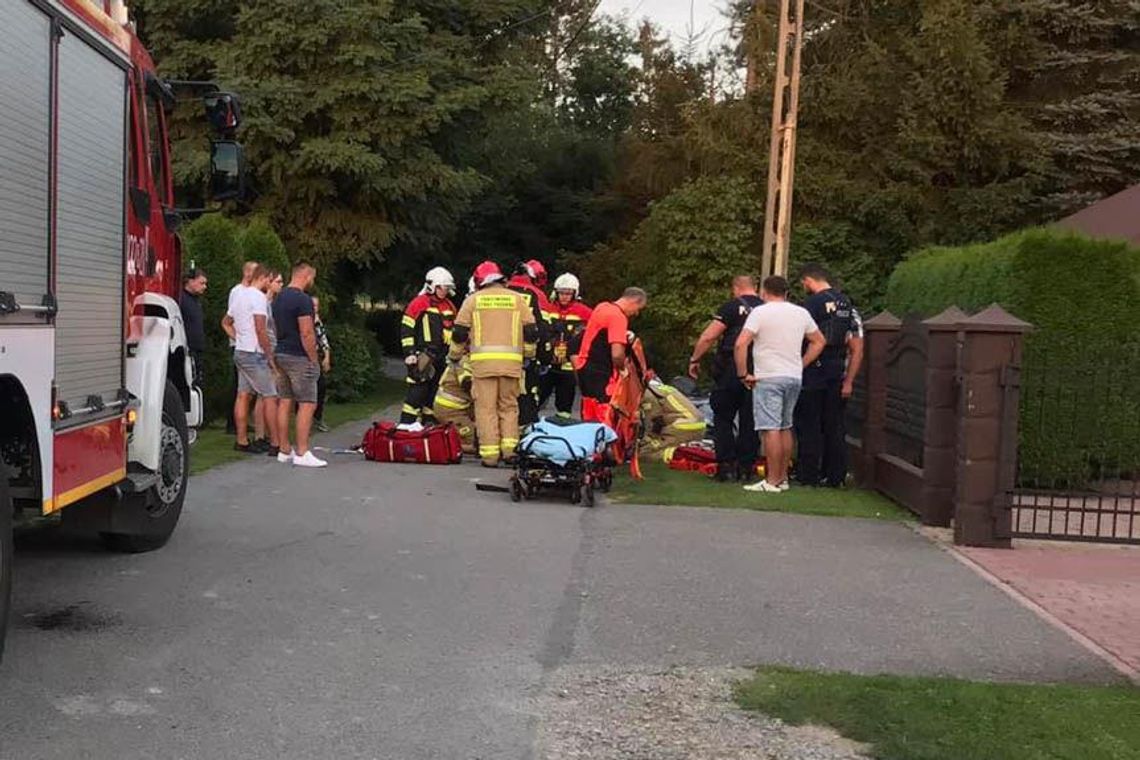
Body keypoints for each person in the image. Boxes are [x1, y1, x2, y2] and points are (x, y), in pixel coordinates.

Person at [734, 276, 826, 493]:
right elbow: (819, 341)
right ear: (786, 293)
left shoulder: (760, 312)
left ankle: (772, 480)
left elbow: (741, 343)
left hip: (768, 376)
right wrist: (801, 363)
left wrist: (743, 373)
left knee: (770, 428)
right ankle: (782, 477)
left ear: (764, 292)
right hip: (793, 376)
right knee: (785, 426)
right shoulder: (800, 313)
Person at [450, 261, 537, 467]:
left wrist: (454, 356)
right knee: (509, 408)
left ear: (480, 281)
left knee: (486, 409)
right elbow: (532, 332)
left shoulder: (473, 301)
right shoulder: (517, 299)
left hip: (483, 366)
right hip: (512, 366)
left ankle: (490, 456)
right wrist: (528, 355)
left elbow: (460, 333)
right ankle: (509, 452)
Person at [688, 275, 764, 481]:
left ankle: (726, 465)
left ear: (736, 288)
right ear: (755, 288)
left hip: (731, 368)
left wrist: (695, 359)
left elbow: (709, 336)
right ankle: (746, 467)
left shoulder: (731, 307)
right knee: (751, 420)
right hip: (759, 368)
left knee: (723, 417)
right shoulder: (767, 308)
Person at [795, 264, 857, 487]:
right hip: (837, 368)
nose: (804, 287)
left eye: (804, 283)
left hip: (814, 368)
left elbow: (808, 335)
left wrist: (800, 364)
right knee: (834, 424)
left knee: (809, 423)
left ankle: (808, 473)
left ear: (809, 280)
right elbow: (853, 340)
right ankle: (835, 475)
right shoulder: (845, 302)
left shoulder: (812, 303)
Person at [272, 261, 326, 468]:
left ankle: (284, 449)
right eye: (312, 277)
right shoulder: (303, 300)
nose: (312, 281)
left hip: (282, 352)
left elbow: (276, 328)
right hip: (299, 356)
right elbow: (306, 332)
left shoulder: (279, 298)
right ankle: (303, 452)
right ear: (306, 275)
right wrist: (313, 358)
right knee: (307, 403)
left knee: (285, 400)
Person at [222, 264, 279, 454]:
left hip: (241, 351)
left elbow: (226, 322)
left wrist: (238, 337)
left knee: (243, 394)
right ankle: (276, 444)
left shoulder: (240, 295)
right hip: (255, 353)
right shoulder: (258, 298)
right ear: (263, 277)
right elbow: (261, 329)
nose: (269, 284)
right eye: (269, 280)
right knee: (270, 395)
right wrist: (270, 356)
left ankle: (242, 440)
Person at [573, 288, 648, 425]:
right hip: (602, 373)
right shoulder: (618, 317)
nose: (636, 313)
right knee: (606, 416)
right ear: (634, 301)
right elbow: (617, 354)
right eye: (638, 308)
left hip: (585, 368)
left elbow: (600, 335)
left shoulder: (602, 307)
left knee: (589, 415)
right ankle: (606, 444)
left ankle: (590, 443)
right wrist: (623, 370)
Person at [398, 267, 457, 431]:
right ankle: (405, 426)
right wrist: (409, 353)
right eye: (442, 287)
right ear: (433, 286)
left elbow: (455, 328)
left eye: (447, 288)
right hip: (424, 355)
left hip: (443, 356)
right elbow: (407, 328)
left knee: (434, 394)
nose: (445, 291)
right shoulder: (419, 303)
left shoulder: (449, 305)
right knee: (417, 392)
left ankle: (428, 427)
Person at [539, 273, 592, 420]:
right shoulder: (548, 309)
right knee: (538, 398)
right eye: (561, 293)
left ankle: (562, 426)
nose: (564, 297)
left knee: (565, 403)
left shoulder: (584, 312)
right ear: (556, 292)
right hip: (548, 364)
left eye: (568, 294)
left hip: (568, 367)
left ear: (575, 294)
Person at [507, 260, 553, 427]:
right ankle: (524, 435)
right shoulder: (537, 295)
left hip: (496, 354)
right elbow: (543, 330)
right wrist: (545, 358)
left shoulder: (501, 291)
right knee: (526, 396)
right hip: (526, 357)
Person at [225, 261, 258, 435]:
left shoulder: (255, 292)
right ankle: (233, 423)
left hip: (251, 344)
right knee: (239, 386)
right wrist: (237, 338)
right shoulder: (237, 292)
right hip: (240, 343)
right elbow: (232, 316)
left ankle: (245, 420)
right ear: (246, 272)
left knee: (249, 388)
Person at [640, 378, 707, 453]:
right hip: (697, 425)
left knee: (645, 451)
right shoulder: (660, 389)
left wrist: (646, 440)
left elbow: (652, 421)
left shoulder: (648, 395)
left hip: (682, 426)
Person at [432, 356, 476, 455]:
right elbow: (466, 383)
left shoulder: (467, 360)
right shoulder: (465, 362)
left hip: (459, 408)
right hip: (450, 410)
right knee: (473, 440)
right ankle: (445, 445)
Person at [180, 267, 208, 388]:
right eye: (201, 283)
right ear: (190, 281)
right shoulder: (181, 300)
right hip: (187, 351)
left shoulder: (196, 301)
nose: (204, 287)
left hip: (196, 351)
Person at [312, 296, 332, 433]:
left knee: (321, 387)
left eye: (316, 306)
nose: (315, 308)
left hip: (317, 358)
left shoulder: (318, 322)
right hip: (306, 359)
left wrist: (326, 357)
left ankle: (318, 418)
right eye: (312, 305)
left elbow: (324, 340)